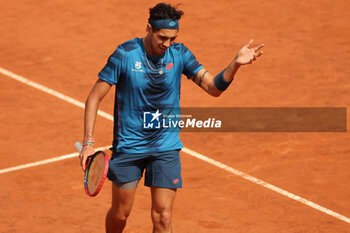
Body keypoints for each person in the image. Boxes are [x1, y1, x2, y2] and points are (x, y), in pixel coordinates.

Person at [79, 2, 263, 233]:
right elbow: (94, 98)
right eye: (162, 37)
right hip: (130, 146)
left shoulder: (180, 54)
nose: (167, 44)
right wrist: (88, 142)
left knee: (164, 218)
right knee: (120, 215)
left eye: (172, 38)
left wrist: (235, 65)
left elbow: (213, 88)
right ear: (149, 29)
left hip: (165, 146)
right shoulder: (125, 54)